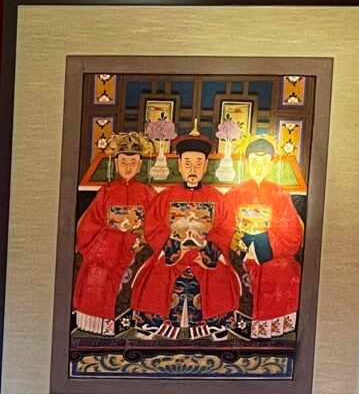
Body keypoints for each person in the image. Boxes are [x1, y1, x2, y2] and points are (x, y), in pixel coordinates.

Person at [129, 132, 240, 339]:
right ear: (179, 165)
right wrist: (173, 248)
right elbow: (153, 226)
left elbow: (225, 228)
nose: (193, 170)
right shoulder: (165, 197)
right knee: (156, 276)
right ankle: (153, 325)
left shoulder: (218, 198)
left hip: (205, 255)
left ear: (206, 166)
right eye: (187, 163)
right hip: (172, 254)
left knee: (217, 277)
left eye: (198, 164)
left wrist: (208, 249)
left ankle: (215, 325)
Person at [71, 132, 151, 334]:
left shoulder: (147, 192)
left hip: (138, 248)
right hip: (107, 250)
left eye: (133, 162)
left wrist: (140, 238)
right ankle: (99, 326)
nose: (128, 167)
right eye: (123, 162)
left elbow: (155, 223)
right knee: (96, 272)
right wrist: (117, 239)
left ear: (140, 165)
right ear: (116, 164)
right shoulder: (106, 192)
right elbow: (90, 227)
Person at [228, 134, 305, 338]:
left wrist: (261, 244)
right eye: (254, 162)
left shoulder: (280, 193)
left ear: (271, 164)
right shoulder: (234, 192)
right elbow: (225, 225)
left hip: (272, 253)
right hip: (241, 252)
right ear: (246, 163)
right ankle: (241, 326)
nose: (259, 167)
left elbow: (291, 231)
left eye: (264, 163)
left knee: (283, 269)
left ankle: (272, 330)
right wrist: (244, 245)